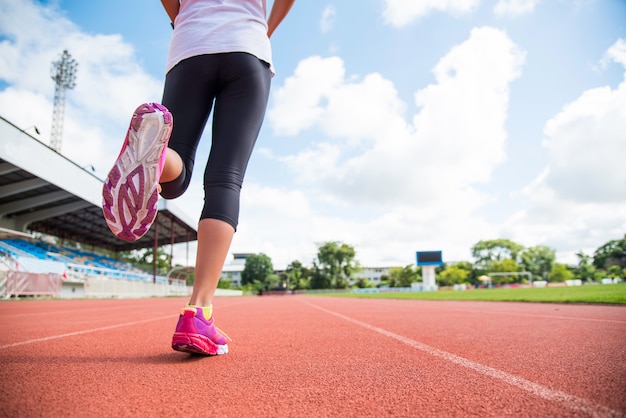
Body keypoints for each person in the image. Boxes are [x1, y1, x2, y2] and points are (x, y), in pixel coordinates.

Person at [102, 0, 295, 355]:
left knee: (176, 176)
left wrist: (181, 17)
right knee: (225, 179)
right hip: (247, 47)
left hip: (189, 47)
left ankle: (156, 161)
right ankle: (198, 311)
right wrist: (264, 27)